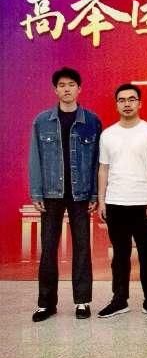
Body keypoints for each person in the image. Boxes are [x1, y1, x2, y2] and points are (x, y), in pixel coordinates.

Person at [29, 67, 102, 322]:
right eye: (62, 85)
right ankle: (46, 304)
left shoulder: (91, 121)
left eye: (71, 84)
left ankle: (82, 301)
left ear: (79, 89)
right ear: (55, 90)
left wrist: (94, 194)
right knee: (48, 248)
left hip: (81, 194)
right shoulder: (42, 121)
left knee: (82, 248)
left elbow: (97, 161)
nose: (67, 89)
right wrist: (36, 191)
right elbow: (35, 157)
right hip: (51, 193)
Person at [96, 83, 147, 319]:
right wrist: (102, 200)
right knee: (120, 255)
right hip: (115, 203)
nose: (127, 104)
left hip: (142, 203)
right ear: (116, 104)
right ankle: (119, 299)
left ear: (139, 103)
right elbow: (103, 169)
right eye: (122, 100)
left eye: (131, 99)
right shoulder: (108, 135)